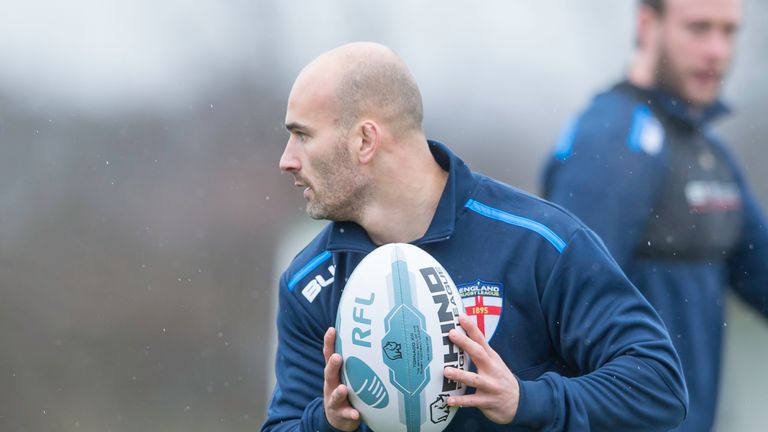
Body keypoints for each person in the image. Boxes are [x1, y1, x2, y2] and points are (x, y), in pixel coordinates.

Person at [262, 42, 687, 432]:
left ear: (364, 140)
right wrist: (327, 424)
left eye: (302, 135)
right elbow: (284, 425)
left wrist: (527, 401)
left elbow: (659, 385)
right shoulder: (309, 283)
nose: (287, 160)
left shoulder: (539, 243)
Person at [541, 0, 768, 430]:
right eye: (699, 28)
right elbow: (558, 316)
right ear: (648, 24)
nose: (717, 50)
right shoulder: (611, 143)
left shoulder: (708, 153)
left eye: (728, 31)